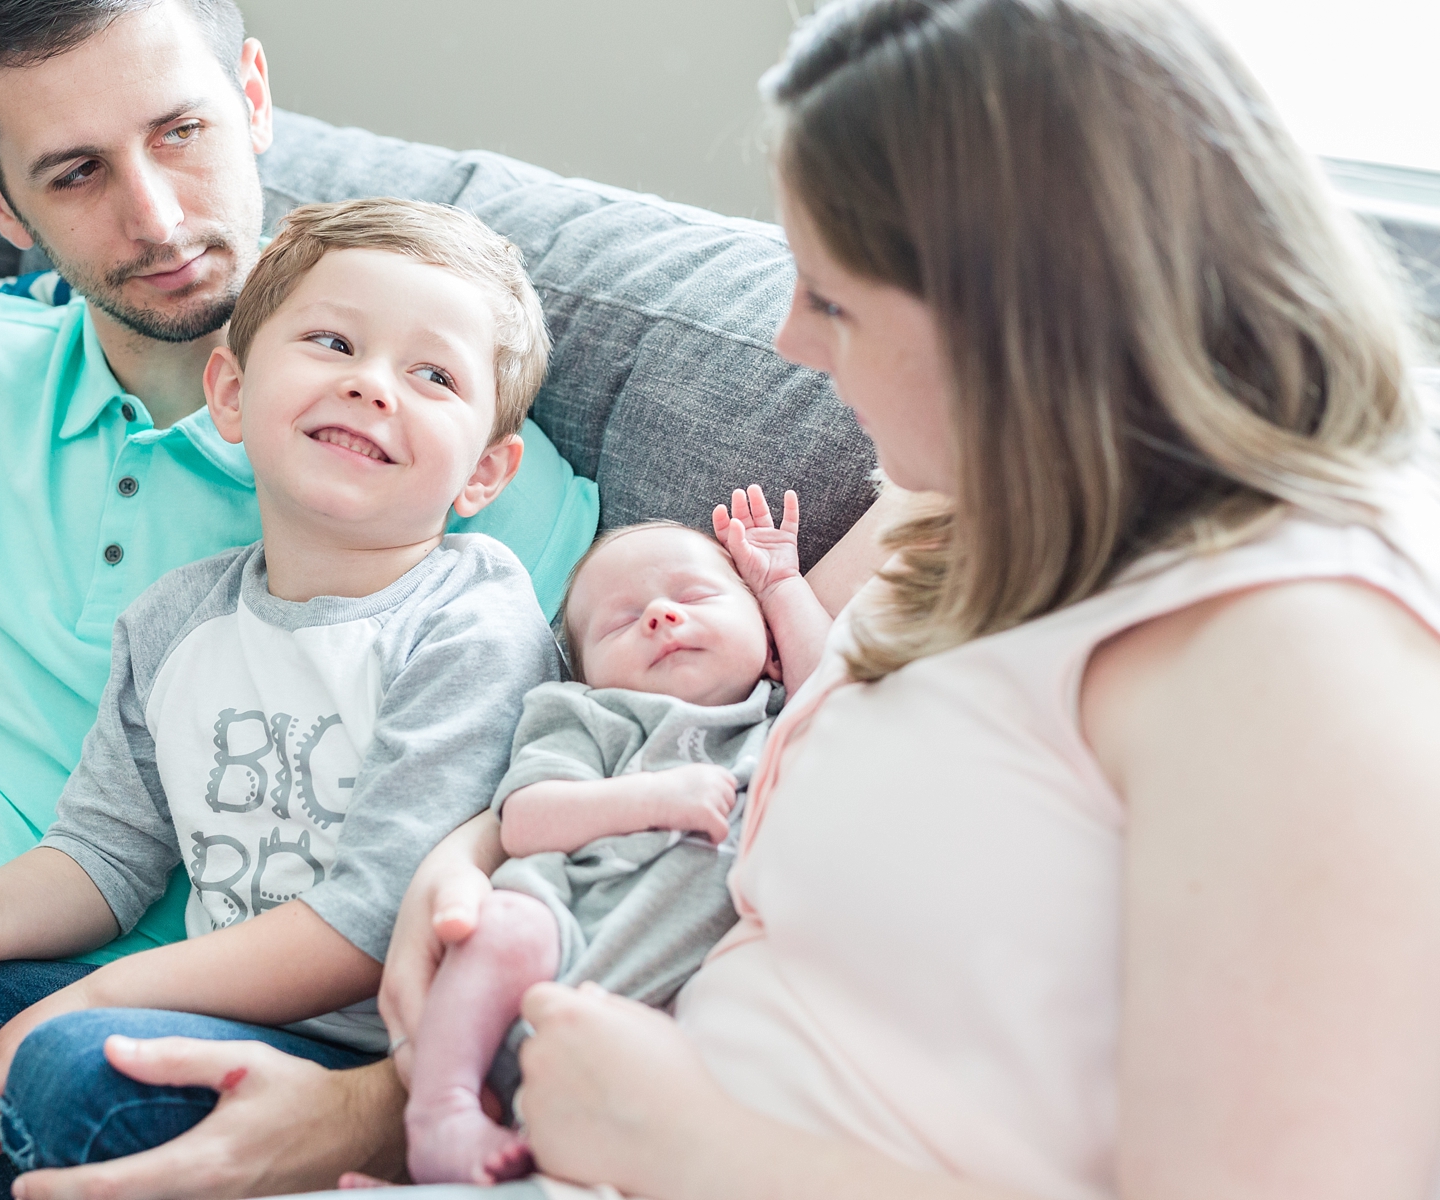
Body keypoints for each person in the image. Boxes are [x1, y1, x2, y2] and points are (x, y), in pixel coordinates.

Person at [305, 0, 1440, 1197]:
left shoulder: (1298, 650)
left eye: (831, 299)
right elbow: (735, 732)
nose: (791, 340)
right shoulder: (981, 498)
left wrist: (686, 1145)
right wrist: (465, 860)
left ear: (1029, 315)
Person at [0, 2, 608, 1196]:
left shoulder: (457, 488)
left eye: (182, 131)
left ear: (253, 97)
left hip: (59, 1099)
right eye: (77, 171)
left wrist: (363, 1115)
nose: (154, 218)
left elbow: (581, 861)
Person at [0, 196, 564, 1194]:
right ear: (229, 392)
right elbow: (103, 857)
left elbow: (370, 926)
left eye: (431, 374)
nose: (369, 386)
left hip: (384, 1068)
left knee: (63, 1068)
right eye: (332, 341)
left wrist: (97, 995)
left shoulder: (472, 617)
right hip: (210, 1017)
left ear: (485, 470)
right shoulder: (174, 621)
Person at [404, 510, 825, 1184]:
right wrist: (653, 801)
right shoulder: (589, 715)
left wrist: (781, 587)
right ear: (588, 675)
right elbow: (526, 820)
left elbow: (838, 691)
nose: (659, 615)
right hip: (568, 932)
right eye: (619, 623)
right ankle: (440, 1109)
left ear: (771, 647)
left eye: (693, 598)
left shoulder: (780, 715)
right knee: (507, 923)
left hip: (678, 1007)